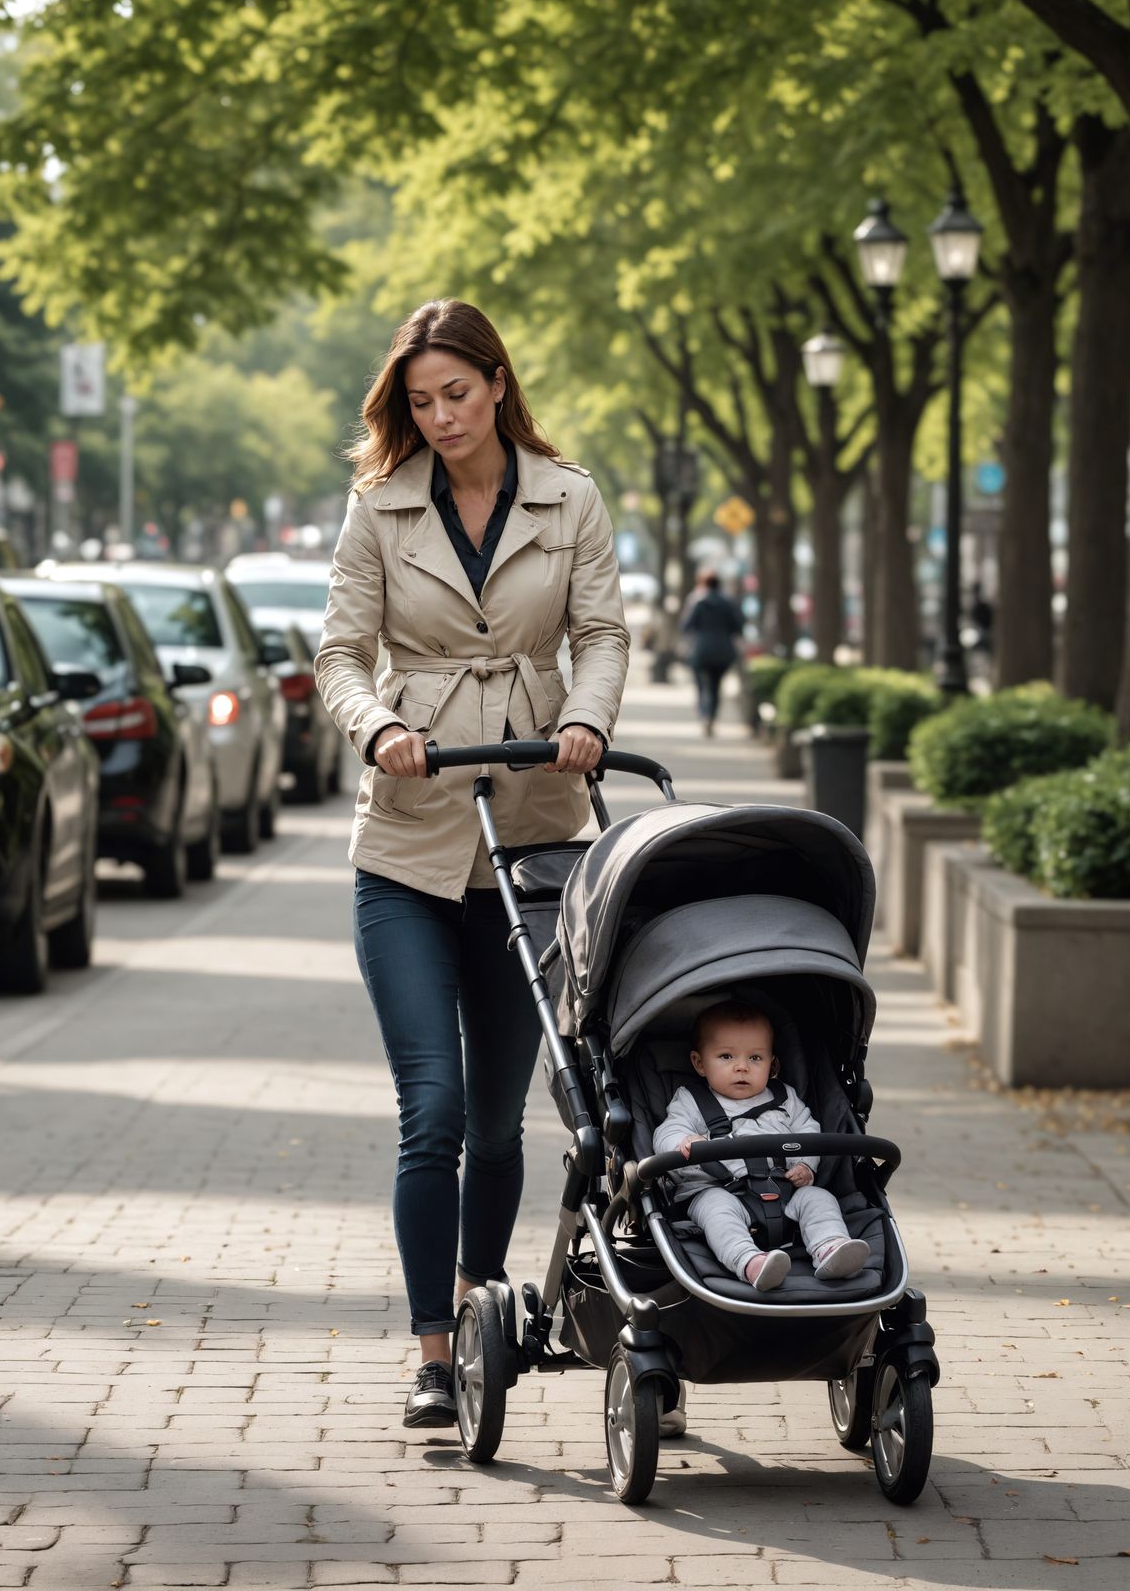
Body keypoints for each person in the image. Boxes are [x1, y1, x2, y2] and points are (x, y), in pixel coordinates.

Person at [315, 298, 630, 1427]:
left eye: (456, 393)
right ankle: (432, 1353)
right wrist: (375, 728)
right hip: (406, 835)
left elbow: (599, 633)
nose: (440, 417)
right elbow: (341, 651)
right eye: (419, 400)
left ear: (498, 384)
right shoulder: (378, 509)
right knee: (432, 1111)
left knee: (500, 1117)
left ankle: (479, 1308)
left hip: (537, 828)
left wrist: (587, 714)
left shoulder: (570, 496)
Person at [653, 1000, 870, 1291]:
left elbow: (808, 1131)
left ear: (773, 1064)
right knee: (717, 1211)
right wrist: (683, 1141)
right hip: (718, 1189)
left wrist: (805, 1164)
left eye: (755, 1058)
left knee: (818, 1198)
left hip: (784, 1193)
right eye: (726, 1056)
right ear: (699, 1063)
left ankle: (831, 1248)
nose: (742, 1067)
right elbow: (668, 1130)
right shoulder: (691, 1099)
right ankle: (750, 1262)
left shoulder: (784, 1097)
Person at [679, 569, 744, 736]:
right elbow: (738, 626)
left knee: (701, 685)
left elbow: (686, 626)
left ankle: (704, 713)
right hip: (723, 651)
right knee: (716, 686)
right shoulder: (728, 603)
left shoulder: (699, 603)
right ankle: (712, 716)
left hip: (701, 650)